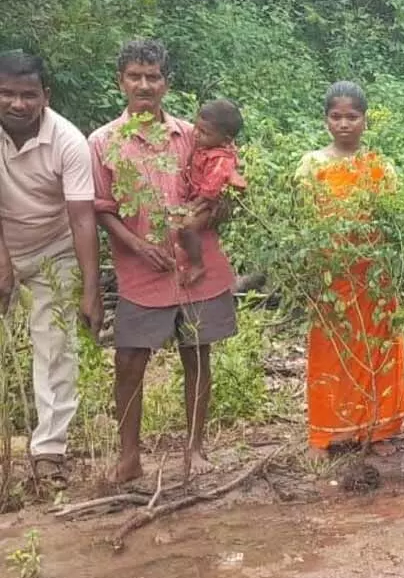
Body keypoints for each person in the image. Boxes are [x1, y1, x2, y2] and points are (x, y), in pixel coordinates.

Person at [90, 40, 238, 485]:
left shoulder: (194, 136)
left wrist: (219, 206)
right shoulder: (103, 142)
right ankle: (129, 456)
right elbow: (102, 208)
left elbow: (222, 187)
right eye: (135, 76)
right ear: (121, 82)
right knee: (130, 359)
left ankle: (195, 449)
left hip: (199, 268)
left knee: (198, 355)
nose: (144, 84)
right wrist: (136, 245)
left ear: (166, 84)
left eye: (153, 76)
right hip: (142, 273)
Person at [0, 50, 102, 488]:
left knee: (55, 346)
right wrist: (3, 264)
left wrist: (90, 289)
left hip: (53, 248)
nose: (17, 104)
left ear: (46, 95)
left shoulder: (68, 140)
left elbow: (82, 217)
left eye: (28, 94)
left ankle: (48, 453)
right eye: (6, 93)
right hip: (5, 241)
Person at [296, 81, 404, 459]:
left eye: (352, 117)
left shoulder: (380, 166)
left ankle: (376, 431)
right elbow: (302, 221)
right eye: (336, 117)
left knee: (377, 348)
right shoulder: (311, 165)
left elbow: (393, 221)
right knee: (329, 352)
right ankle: (322, 435)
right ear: (325, 119)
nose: (344, 124)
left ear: (365, 120)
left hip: (372, 277)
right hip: (331, 276)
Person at [179, 98, 245, 287]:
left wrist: (195, 205)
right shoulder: (205, 147)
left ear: (224, 140)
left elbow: (212, 187)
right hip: (202, 198)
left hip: (209, 202)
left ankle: (197, 264)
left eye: (204, 133)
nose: (197, 135)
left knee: (188, 227)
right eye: (196, 128)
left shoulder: (221, 158)